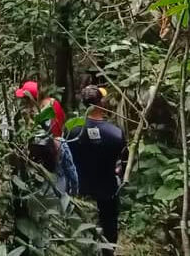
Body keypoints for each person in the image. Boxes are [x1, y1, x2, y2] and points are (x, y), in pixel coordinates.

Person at [68, 85, 127, 254]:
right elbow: (123, 163)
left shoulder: (72, 129)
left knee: (81, 229)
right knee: (109, 228)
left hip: (80, 190)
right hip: (107, 189)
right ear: (101, 104)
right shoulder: (115, 133)